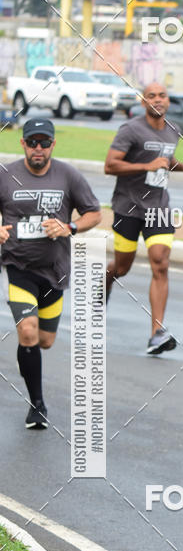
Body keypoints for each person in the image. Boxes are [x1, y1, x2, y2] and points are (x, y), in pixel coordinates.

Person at [0, 117, 101, 428]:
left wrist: (70, 226)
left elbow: (94, 213)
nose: (38, 148)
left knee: (44, 341)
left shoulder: (68, 176)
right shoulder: (6, 175)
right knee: (28, 332)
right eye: (32, 142)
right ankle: (37, 405)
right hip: (18, 267)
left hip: (55, 271)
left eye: (44, 142)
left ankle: (29, 355)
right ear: (23, 144)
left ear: (53, 144)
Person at [104, 82, 183, 354]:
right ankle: (105, 282)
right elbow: (110, 165)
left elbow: (165, 160)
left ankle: (157, 333)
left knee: (160, 263)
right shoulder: (130, 129)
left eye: (162, 95)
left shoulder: (173, 130)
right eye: (151, 96)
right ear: (143, 101)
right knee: (122, 267)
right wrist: (146, 166)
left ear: (168, 100)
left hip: (158, 208)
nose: (157, 100)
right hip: (128, 207)